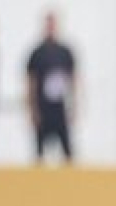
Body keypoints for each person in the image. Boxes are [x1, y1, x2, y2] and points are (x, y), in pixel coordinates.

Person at [26, 11, 77, 163]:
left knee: (67, 149)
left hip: (60, 106)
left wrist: (73, 106)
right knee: (39, 150)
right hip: (43, 107)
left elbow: (72, 80)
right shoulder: (37, 53)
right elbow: (31, 82)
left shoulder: (65, 52)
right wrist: (32, 110)